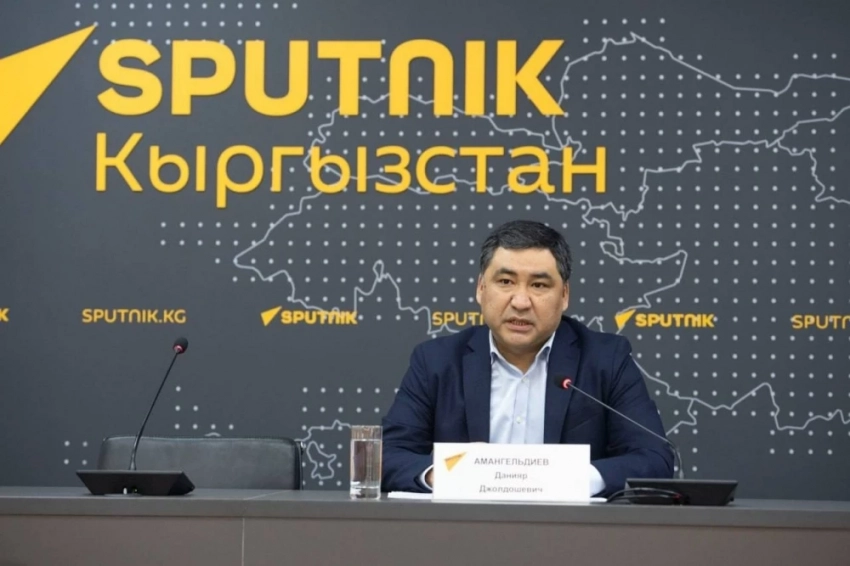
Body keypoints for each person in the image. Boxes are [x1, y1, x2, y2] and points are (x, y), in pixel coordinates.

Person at [380, 219, 674, 497]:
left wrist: (575, 478)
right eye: (506, 281)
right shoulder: (437, 361)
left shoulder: (605, 360)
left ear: (565, 295)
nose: (520, 302)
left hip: (569, 529)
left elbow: (654, 458)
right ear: (481, 289)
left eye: (539, 285)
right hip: (466, 528)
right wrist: (447, 475)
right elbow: (387, 456)